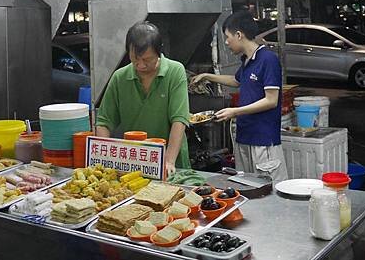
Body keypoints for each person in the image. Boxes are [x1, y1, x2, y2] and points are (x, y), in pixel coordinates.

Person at [192, 11, 288, 183]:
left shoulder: (268, 59)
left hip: (263, 139)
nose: (227, 42)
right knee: (246, 185)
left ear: (239, 34)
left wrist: (235, 111)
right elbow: (236, 81)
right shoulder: (246, 60)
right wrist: (207, 76)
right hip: (244, 136)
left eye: (228, 37)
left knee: (268, 188)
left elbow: (271, 100)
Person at [95, 21, 190, 175]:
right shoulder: (120, 77)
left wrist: (169, 161)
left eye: (147, 60)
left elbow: (179, 120)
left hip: (171, 164)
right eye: (135, 59)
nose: (140, 65)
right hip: (133, 164)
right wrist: (105, 159)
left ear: (158, 52)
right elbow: (104, 122)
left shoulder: (175, 71)